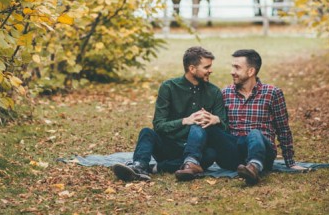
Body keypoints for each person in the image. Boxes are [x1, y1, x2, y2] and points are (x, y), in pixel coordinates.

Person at [111, 46, 228, 182]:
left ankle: (156, 168)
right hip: (169, 146)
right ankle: (138, 166)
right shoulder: (169, 87)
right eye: (207, 67)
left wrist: (216, 119)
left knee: (210, 154)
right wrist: (185, 121)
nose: (210, 70)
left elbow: (225, 128)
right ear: (192, 69)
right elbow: (159, 125)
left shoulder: (214, 92)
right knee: (147, 132)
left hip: (197, 150)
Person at [198, 49, 307, 185]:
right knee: (210, 127)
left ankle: (254, 167)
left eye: (237, 67)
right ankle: (190, 162)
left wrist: (290, 163)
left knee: (254, 133)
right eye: (232, 67)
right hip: (233, 154)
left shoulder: (272, 93)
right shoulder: (225, 93)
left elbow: (283, 129)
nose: (232, 71)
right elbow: (220, 125)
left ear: (251, 71)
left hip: (263, 152)